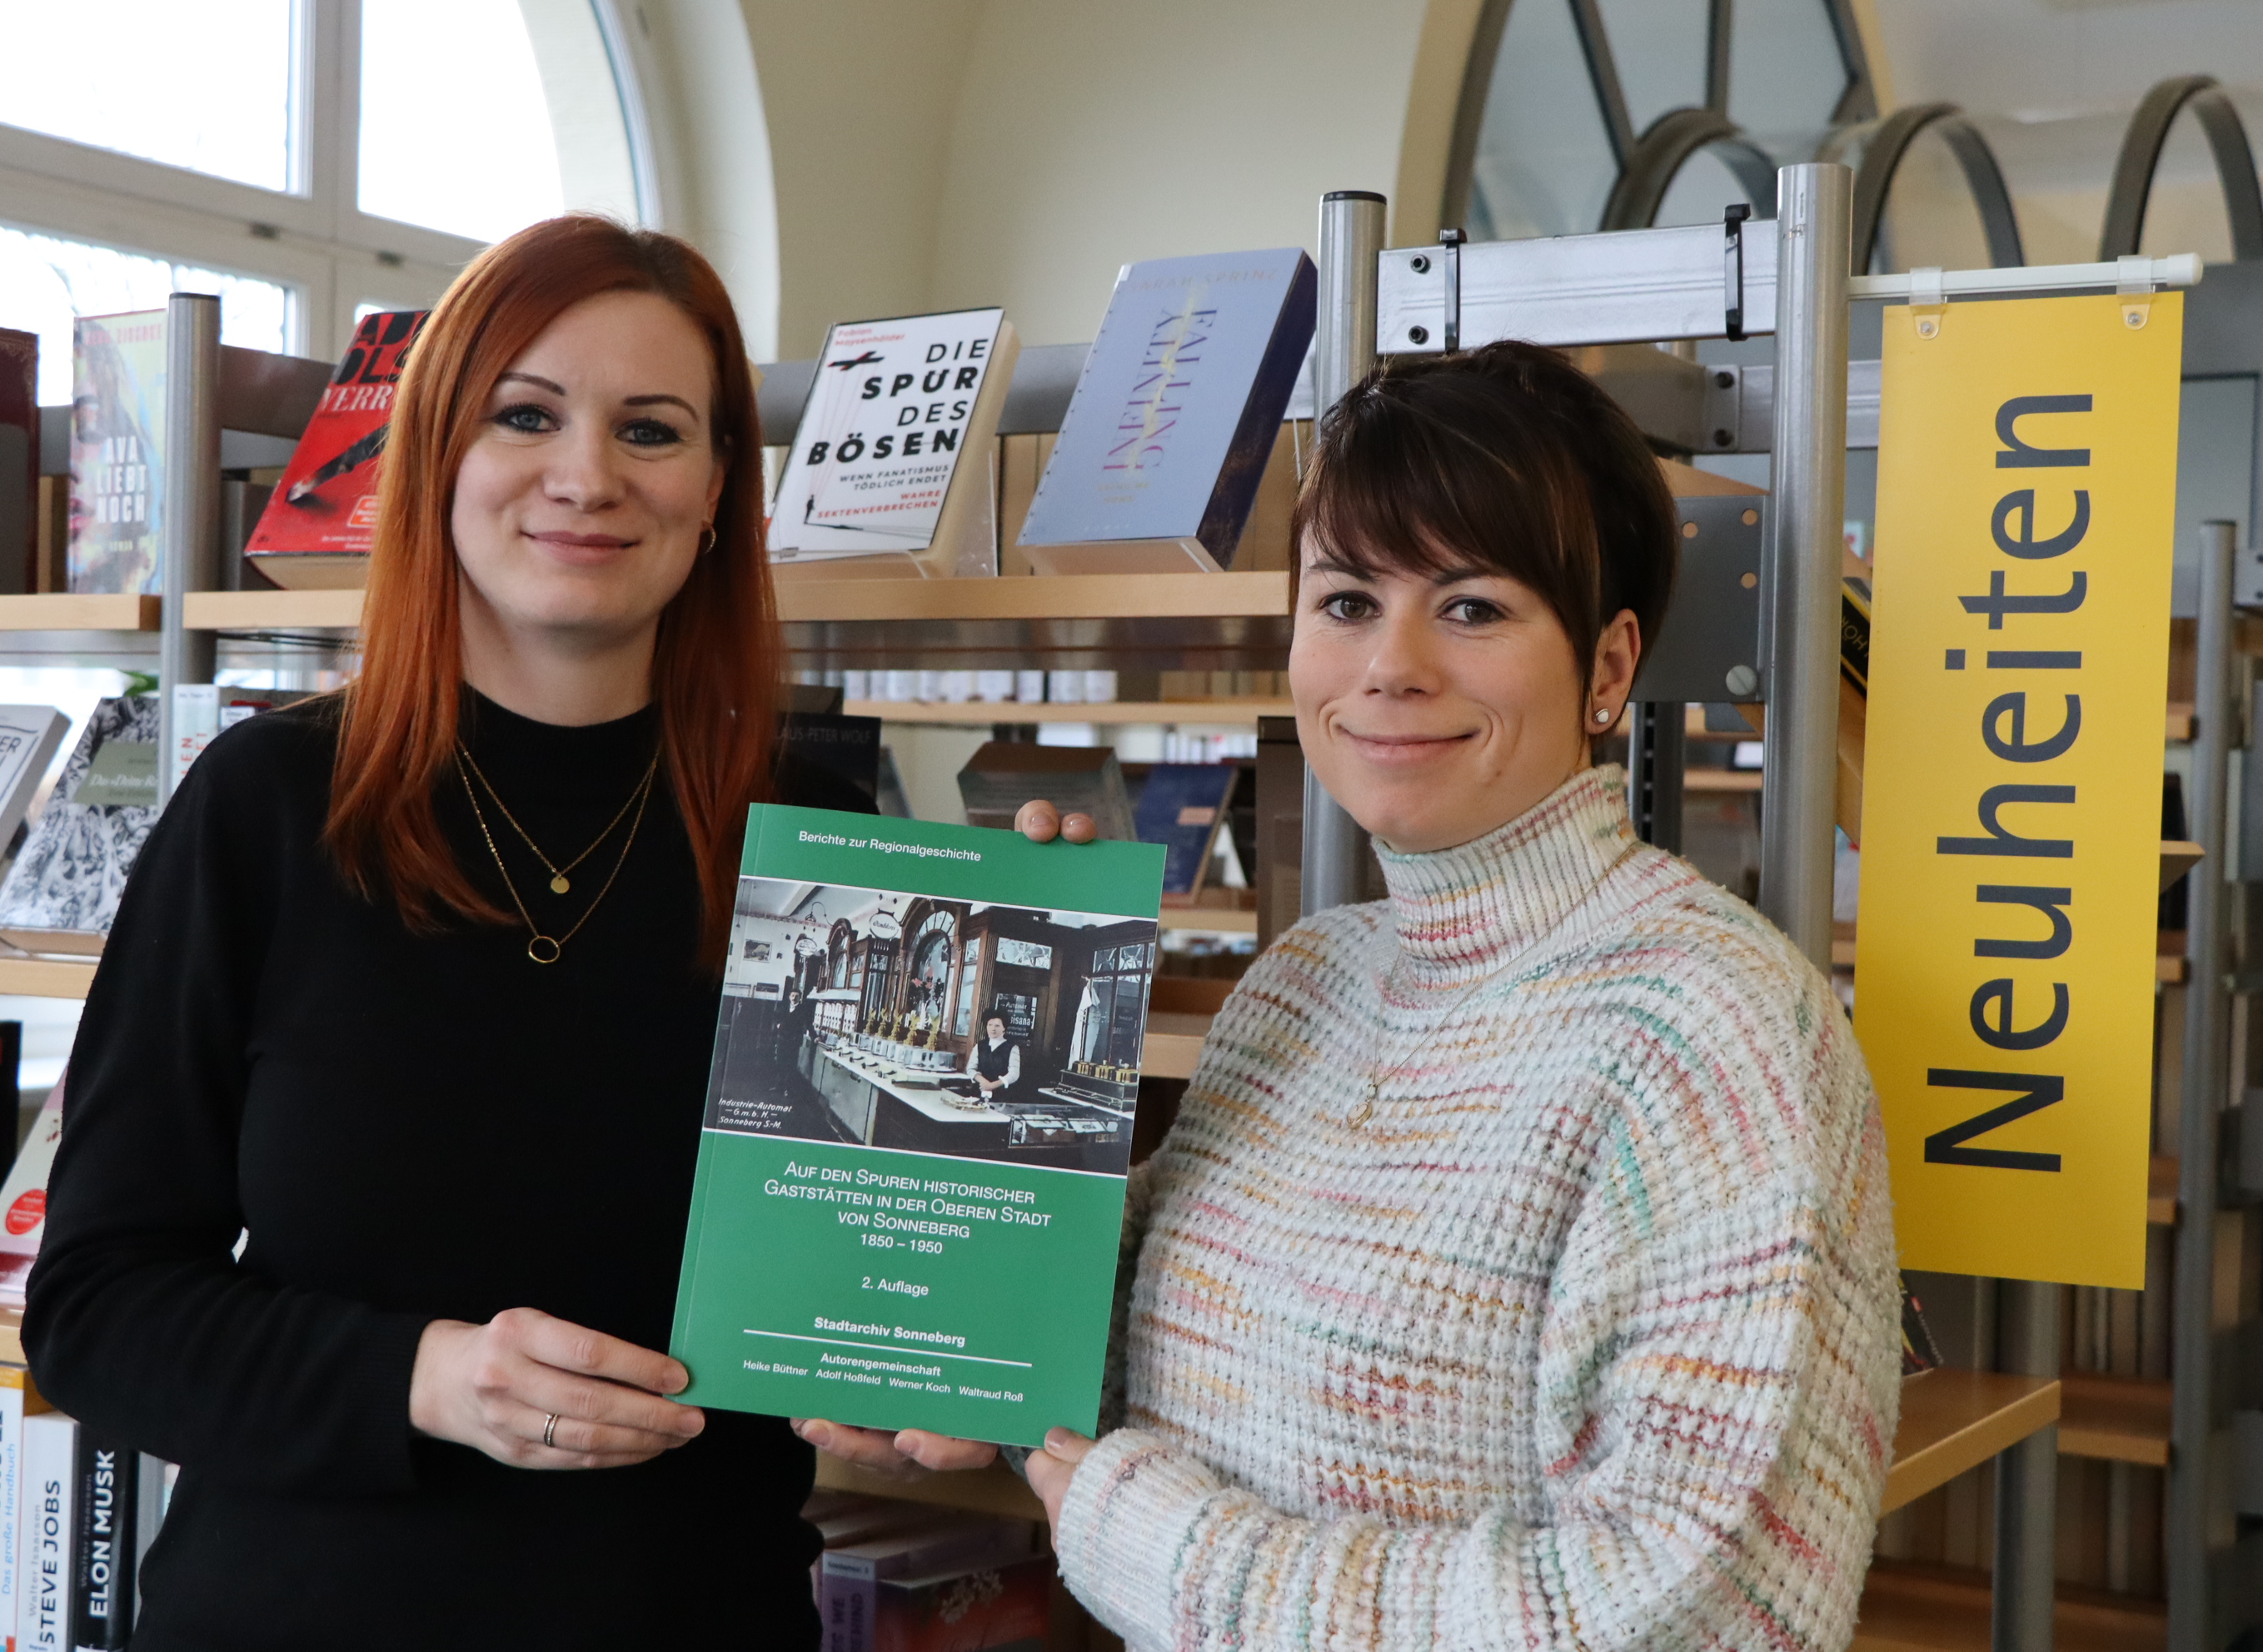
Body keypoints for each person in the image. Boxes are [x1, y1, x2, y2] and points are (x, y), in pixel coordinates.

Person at [809, 341, 1902, 1650]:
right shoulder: (1301, 984)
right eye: (1344, 602)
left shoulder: (1716, 1026)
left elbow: (1705, 1610)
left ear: (1609, 669)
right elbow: (1142, 1369)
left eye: (1474, 607)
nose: (1391, 666)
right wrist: (936, 1318)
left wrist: (1156, 1541)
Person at [24, 216, 879, 1649]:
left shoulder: (820, 842)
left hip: (691, 1614)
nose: (587, 474)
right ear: (435, 463)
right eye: (525, 414)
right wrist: (425, 1377)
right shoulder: (268, 809)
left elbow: (894, 1290)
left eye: (652, 429)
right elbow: (98, 1308)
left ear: (724, 489)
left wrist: (1056, 930)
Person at [965, 1010, 1022, 1100]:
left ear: (1004, 1028)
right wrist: (983, 1082)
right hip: (979, 1092)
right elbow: (971, 1069)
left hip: (1002, 1095)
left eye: (997, 1026)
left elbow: (1014, 1073)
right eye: (990, 1025)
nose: (993, 1029)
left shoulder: (1012, 1048)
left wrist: (992, 1085)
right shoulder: (980, 1046)